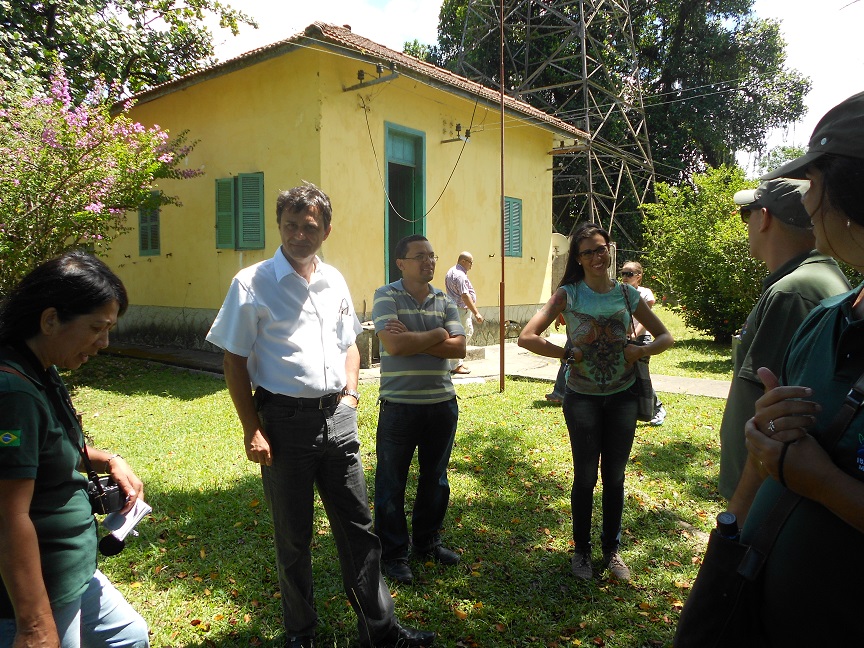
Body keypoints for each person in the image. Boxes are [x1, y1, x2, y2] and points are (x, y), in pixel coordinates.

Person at [205, 184, 435, 648]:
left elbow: (349, 341)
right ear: (279, 226)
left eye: (309, 226)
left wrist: (350, 395)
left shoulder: (334, 280)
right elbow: (233, 359)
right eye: (290, 225)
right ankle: (300, 634)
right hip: (284, 423)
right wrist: (252, 429)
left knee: (359, 530)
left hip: (338, 419)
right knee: (294, 538)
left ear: (326, 230)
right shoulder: (252, 283)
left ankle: (380, 631)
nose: (299, 235)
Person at [721, 90, 864, 645]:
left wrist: (824, 484)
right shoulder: (830, 316)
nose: (808, 204)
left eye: (817, 184)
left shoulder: (799, 292)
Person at [0, 251, 149, 648]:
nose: (104, 343)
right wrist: (33, 626)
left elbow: (52, 445)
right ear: (50, 320)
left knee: (129, 637)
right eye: (97, 328)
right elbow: (7, 515)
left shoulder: (41, 368)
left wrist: (109, 459)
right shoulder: (13, 392)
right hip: (40, 590)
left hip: (73, 571)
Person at [518, 223, 673, 582]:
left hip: (622, 397)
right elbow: (527, 337)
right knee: (585, 477)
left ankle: (612, 551)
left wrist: (641, 350)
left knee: (615, 477)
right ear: (578, 258)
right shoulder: (567, 294)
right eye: (587, 252)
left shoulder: (627, 295)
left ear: (609, 251)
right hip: (582, 399)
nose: (596, 257)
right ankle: (582, 552)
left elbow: (667, 337)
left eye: (601, 249)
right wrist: (566, 352)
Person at [716, 178, 849, 499]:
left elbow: (765, 408)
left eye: (745, 215)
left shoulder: (793, 291)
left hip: (766, 493)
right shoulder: (812, 278)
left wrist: (740, 502)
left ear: (765, 217)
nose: (746, 224)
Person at [373, 235, 466, 585]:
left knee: (436, 480)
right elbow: (393, 345)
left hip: (442, 405)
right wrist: (438, 333)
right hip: (399, 406)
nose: (428, 262)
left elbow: (459, 349)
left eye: (432, 256)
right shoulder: (386, 295)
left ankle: (427, 543)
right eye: (419, 256)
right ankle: (394, 554)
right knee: (390, 481)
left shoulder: (445, 298)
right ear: (401, 263)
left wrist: (419, 336)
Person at [620, 261, 668, 425]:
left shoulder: (645, 293)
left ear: (639, 276)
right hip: (623, 339)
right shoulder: (619, 291)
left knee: (641, 376)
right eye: (623, 273)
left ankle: (657, 408)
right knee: (628, 376)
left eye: (629, 274)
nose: (625, 277)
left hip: (641, 340)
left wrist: (634, 334)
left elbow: (646, 320)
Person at [444, 251, 482, 375]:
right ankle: (455, 365)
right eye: (470, 262)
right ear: (463, 261)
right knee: (462, 336)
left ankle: (457, 362)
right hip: (460, 310)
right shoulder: (460, 275)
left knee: (458, 335)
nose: (471, 265)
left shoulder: (451, 271)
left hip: (454, 309)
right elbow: (465, 295)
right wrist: (476, 312)